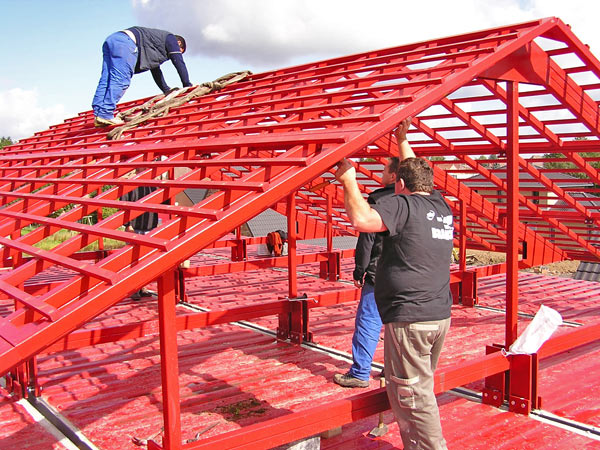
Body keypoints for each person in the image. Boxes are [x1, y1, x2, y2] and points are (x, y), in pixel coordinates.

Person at [335, 118, 453, 450]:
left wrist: (348, 179)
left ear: (398, 183)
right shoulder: (439, 206)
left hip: (411, 319)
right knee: (419, 387)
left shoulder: (401, 205)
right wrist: (403, 139)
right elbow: (416, 172)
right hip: (438, 315)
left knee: (413, 396)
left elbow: (362, 219)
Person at [333, 157, 399, 388]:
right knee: (396, 324)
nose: (380, 173)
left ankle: (360, 372)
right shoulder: (414, 202)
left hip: (379, 273)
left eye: (384, 170)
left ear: (393, 176)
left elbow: (367, 239)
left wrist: (359, 271)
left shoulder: (379, 200)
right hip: (405, 275)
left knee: (369, 322)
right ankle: (392, 370)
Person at [92, 26, 193, 127]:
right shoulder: (171, 39)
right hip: (126, 42)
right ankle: (105, 113)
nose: (178, 53)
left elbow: (156, 71)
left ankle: (98, 115)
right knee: (121, 79)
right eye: (180, 51)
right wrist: (187, 85)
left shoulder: (156, 44)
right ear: (179, 43)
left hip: (114, 39)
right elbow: (179, 62)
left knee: (107, 78)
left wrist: (166, 90)